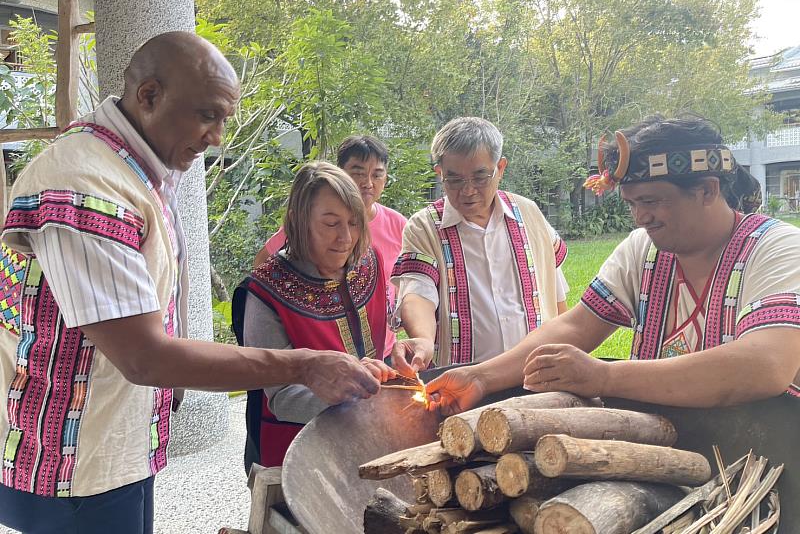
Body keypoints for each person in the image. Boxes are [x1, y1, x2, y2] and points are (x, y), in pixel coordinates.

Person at [0, 32, 379, 534]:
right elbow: (145, 357)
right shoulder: (84, 186)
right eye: (208, 115)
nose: (218, 137)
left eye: (224, 119)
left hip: (118, 445)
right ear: (150, 96)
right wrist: (305, 365)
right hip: (74, 463)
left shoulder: (132, 169)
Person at [426, 115, 800, 416]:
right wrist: (480, 377)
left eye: (651, 201)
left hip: (767, 470)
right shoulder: (644, 250)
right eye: (632, 203)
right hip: (668, 461)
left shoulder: (777, 248)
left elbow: (765, 364)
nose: (640, 218)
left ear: (707, 190)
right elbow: (577, 325)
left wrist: (604, 376)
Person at [234, 161, 395, 469]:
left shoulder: (368, 262)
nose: (345, 239)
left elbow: (376, 345)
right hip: (301, 454)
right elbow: (281, 397)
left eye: (353, 222)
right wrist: (350, 396)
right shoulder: (266, 292)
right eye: (331, 223)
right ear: (298, 221)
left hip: (372, 436)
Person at [391, 117, 569, 375]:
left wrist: (569, 349)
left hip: (537, 376)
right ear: (440, 173)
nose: (468, 191)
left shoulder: (529, 213)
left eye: (480, 177)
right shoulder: (424, 227)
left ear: (500, 168)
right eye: (454, 179)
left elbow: (556, 294)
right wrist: (424, 340)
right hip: (463, 385)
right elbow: (418, 293)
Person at [254, 135, 407, 356]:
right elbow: (263, 268)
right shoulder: (302, 231)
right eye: (331, 223)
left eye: (355, 224)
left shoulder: (391, 235)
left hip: (381, 354)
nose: (368, 183)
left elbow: (406, 281)